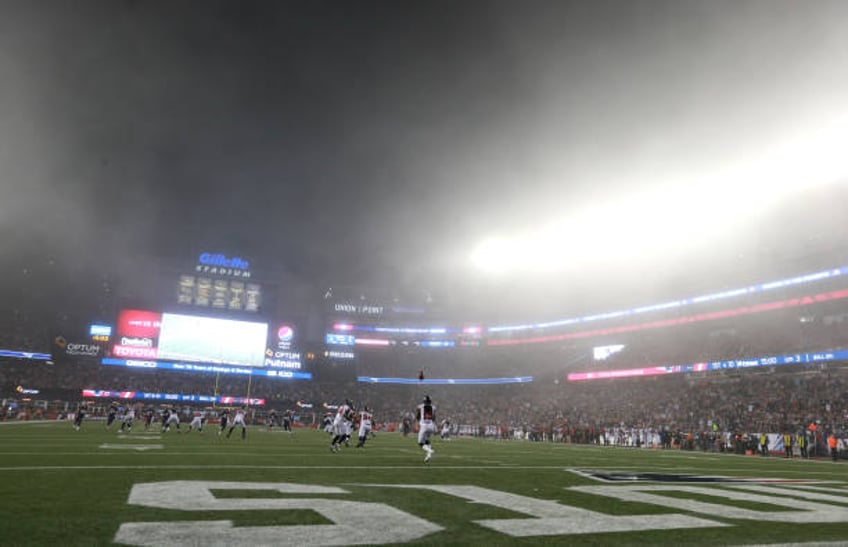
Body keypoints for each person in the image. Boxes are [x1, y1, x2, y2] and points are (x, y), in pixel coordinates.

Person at [416, 395, 436, 463]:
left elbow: (418, 416)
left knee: (420, 443)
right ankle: (428, 455)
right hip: (431, 426)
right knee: (427, 440)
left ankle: (429, 450)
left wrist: (419, 420)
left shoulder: (420, 406)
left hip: (424, 426)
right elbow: (434, 418)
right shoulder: (433, 407)